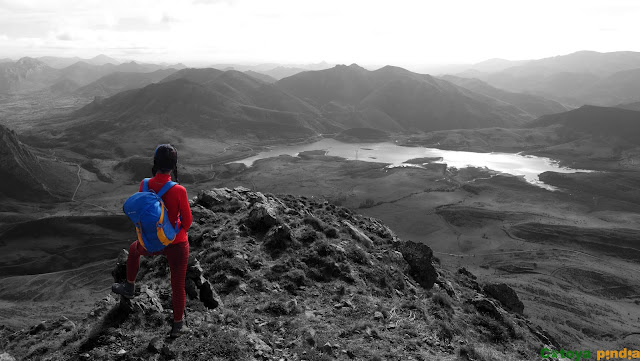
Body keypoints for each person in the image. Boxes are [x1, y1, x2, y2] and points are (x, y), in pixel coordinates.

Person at [112, 144, 193, 338]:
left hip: (152, 243)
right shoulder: (179, 190)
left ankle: (129, 286)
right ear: (174, 165)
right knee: (177, 284)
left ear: (155, 163)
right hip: (175, 244)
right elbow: (188, 223)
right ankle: (178, 326)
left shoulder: (145, 184)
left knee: (133, 249)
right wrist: (174, 227)